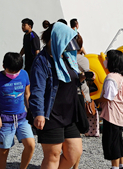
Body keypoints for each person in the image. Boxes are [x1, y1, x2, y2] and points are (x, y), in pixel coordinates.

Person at [28, 22, 84, 169]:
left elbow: (70, 81)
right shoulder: (41, 61)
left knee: (74, 153)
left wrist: (82, 79)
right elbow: (37, 89)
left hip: (69, 113)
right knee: (52, 155)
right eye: (66, 39)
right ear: (56, 38)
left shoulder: (67, 57)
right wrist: (38, 113)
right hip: (50, 114)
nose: (68, 43)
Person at [0, 52, 34, 169]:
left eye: (17, 71)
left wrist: (32, 111)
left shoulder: (24, 74)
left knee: (30, 145)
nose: (14, 74)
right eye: (11, 71)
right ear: (4, 66)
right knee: (4, 151)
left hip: (22, 119)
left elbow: (27, 94)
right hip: (5, 121)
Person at [100, 50, 123, 169]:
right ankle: (121, 165)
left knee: (112, 141)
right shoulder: (121, 77)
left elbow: (109, 97)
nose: (105, 60)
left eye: (107, 58)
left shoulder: (111, 77)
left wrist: (97, 101)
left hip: (112, 114)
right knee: (119, 140)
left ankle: (114, 167)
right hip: (121, 113)